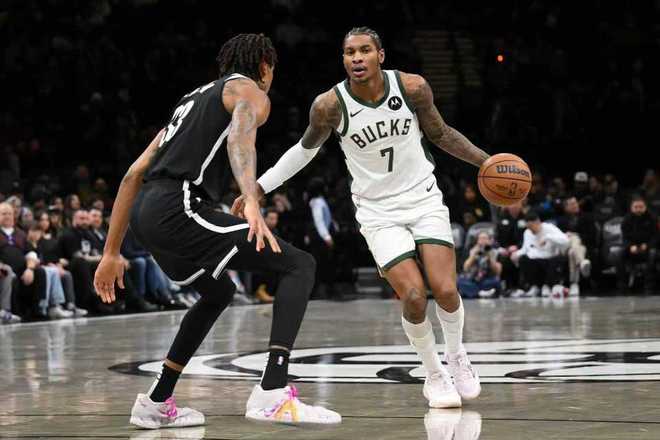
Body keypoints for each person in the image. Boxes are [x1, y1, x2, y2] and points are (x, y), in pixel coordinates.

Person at [93, 34, 340, 428]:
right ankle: (273, 391)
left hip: (147, 213)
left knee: (218, 291)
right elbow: (241, 136)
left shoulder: (190, 101)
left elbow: (132, 174)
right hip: (179, 206)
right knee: (300, 265)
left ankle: (156, 400)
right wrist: (251, 197)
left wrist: (111, 253)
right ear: (265, 67)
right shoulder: (251, 91)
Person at [245, 27, 486, 408]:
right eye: (349, 52)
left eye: (364, 50)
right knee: (413, 296)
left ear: (380, 55)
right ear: (343, 59)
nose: (357, 58)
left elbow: (440, 134)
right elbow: (304, 151)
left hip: (423, 199)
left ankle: (456, 355)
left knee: (446, 290)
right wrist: (259, 187)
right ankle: (433, 373)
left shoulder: (413, 88)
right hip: (377, 212)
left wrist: (486, 162)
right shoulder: (329, 105)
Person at [512, 211, 570, 297]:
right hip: (537, 259)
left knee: (555, 260)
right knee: (523, 259)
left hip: (550, 258)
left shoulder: (549, 228)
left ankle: (549, 286)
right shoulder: (527, 232)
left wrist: (548, 237)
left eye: (532, 226)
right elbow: (525, 249)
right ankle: (535, 286)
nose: (531, 230)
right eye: (528, 227)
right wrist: (516, 254)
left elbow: (565, 240)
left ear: (538, 222)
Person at [556, 196, 596, 296]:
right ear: (566, 207)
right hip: (565, 247)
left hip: (582, 247)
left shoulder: (587, 217)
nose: (575, 205)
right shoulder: (561, 220)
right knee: (573, 240)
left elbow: (592, 236)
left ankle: (574, 284)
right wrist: (567, 236)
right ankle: (582, 262)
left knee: (572, 252)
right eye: (572, 204)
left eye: (576, 203)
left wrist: (577, 235)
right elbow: (557, 237)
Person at [617, 195, 657, 293]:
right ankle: (623, 284)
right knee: (619, 254)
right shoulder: (626, 220)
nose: (638, 209)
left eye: (641, 207)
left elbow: (656, 236)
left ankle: (649, 285)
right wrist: (630, 246)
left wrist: (647, 245)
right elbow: (625, 237)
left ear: (645, 207)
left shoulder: (652, 218)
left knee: (653, 253)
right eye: (636, 207)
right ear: (631, 208)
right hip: (632, 247)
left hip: (647, 247)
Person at [458, 231, 502, 298]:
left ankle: (474, 293)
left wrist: (490, 257)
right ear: (477, 241)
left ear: (489, 241)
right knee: (460, 281)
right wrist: (473, 255)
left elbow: (498, 272)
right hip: (472, 279)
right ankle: (481, 293)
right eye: (480, 238)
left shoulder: (494, 251)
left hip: (487, 279)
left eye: (485, 238)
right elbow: (465, 268)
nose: (483, 241)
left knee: (496, 282)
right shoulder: (471, 250)